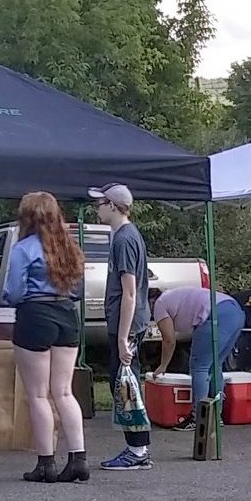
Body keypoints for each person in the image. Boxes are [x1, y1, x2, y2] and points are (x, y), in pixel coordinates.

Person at [2, 192, 89, 484]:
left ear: (26, 217)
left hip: (35, 315)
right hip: (66, 314)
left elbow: (13, 292)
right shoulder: (69, 248)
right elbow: (78, 290)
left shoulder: (23, 248)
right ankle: (78, 459)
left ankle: (46, 463)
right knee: (64, 391)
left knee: (38, 394)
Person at [90, 182, 153, 471]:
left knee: (127, 385)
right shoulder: (126, 236)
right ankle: (138, 447)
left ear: (113, 206)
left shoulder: (124, 240)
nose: (97, 208)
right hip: (128, 320)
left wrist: (123, 338)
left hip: (127, 323)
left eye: (100, 203)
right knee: (127, 384)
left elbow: (130, 292)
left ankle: (137, 450)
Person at [150, 285, 246, 430]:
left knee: (200, 366)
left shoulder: (159, 304)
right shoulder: (173, 296)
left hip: (215, 315)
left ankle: (198, 418)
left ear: (149, 301)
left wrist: (163, 365)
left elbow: (169, 340)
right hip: (235, 311)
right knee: (215, 365)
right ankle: (215, 416)